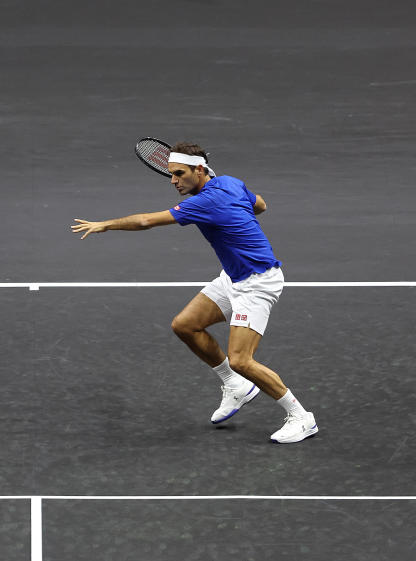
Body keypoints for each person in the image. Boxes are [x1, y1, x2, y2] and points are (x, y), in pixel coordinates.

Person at [71, 142, 318, 444]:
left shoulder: (204, 203)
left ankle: (302, 418)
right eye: (170, 175)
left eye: (178, 174)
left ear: (199, 171)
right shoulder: (229, 183)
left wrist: (105, 225)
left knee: (241, 360)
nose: (173, 181)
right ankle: (235, 386)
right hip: (234, 277)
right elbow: (260, 205)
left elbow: (147, 221)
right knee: (185, 325)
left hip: (257, 282)